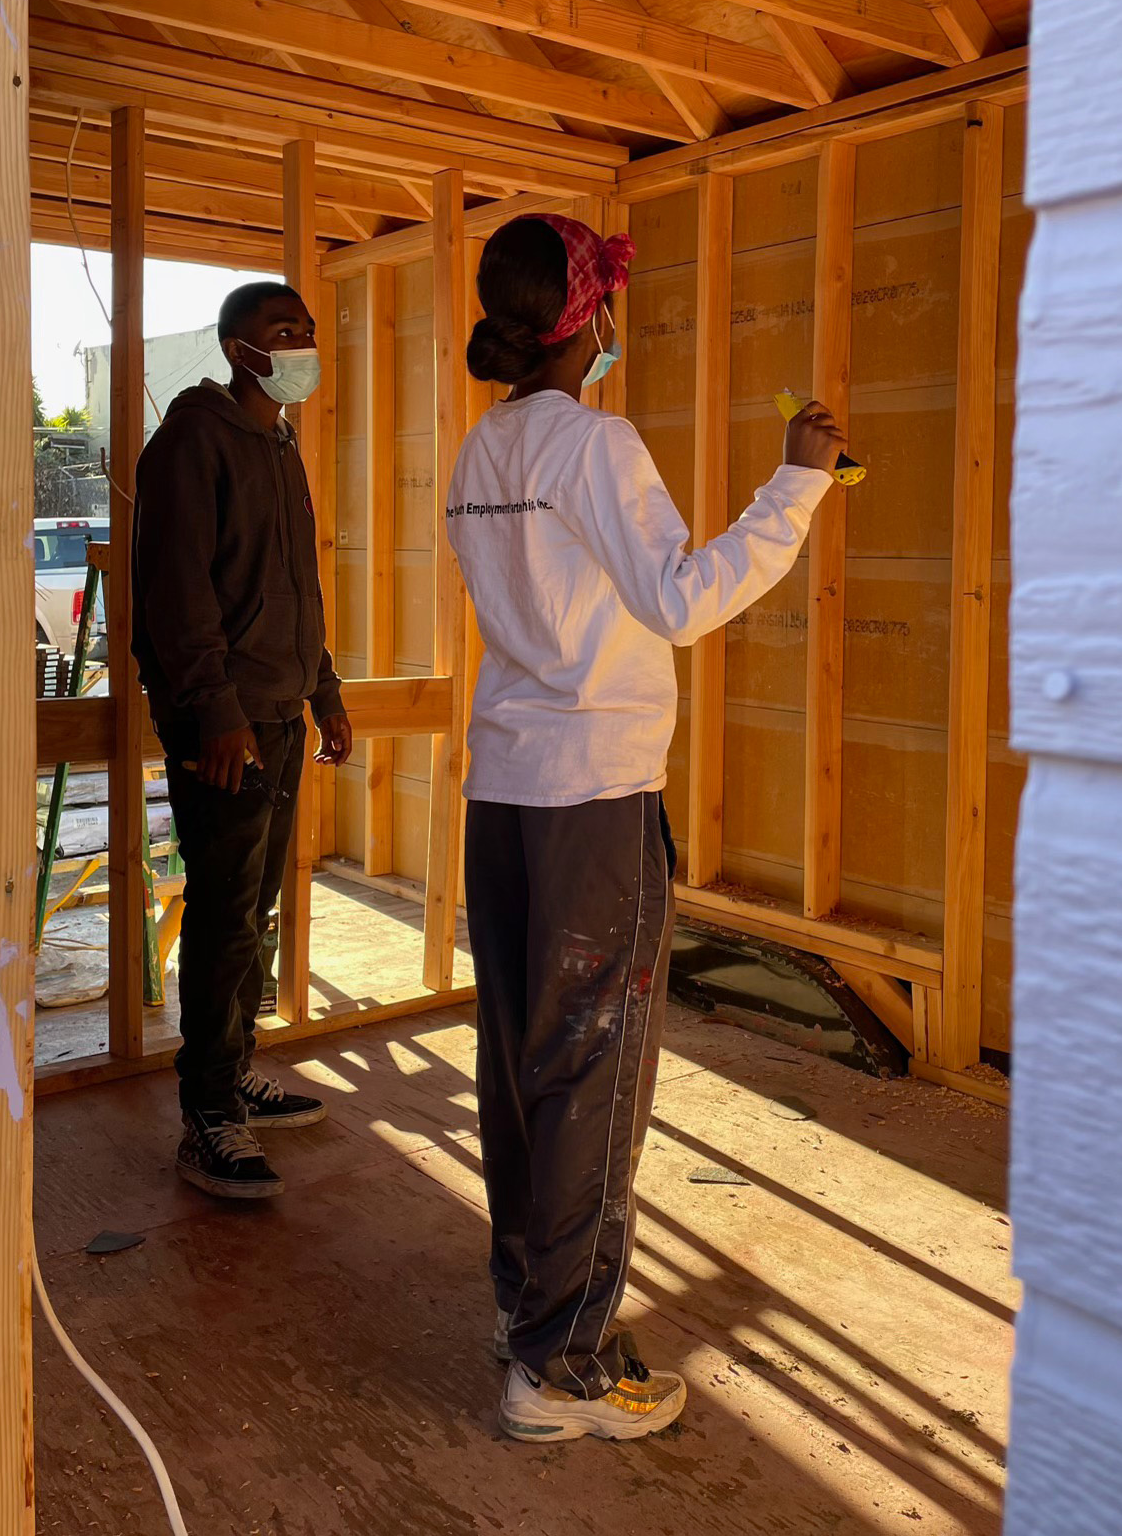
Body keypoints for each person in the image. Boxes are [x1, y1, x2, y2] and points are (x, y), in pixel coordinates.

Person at [446, 212, 845, 1443]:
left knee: (525, 1060)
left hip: (505, 793)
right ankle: (561, 1364)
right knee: (596, 1067)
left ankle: (532, 1312)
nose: (617, 325)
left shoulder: (480, 452)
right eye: (608, 302)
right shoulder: (593, 443)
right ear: (588, 318)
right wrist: (798, 482)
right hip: (594, 796)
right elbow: (677, 601)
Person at [133, 281, 353, 1200]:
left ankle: (235, 1073)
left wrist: (325, 689)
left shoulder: (280, 444)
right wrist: (217, 714)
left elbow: (296, 584)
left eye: (305, 329)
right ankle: (207, 1115)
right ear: (236, 347)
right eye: (280, 332)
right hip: (224, 724)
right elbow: (179, 593)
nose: (300, 343)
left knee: (253, 909)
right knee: (225, 915)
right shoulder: (193, 440)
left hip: (278, 711)